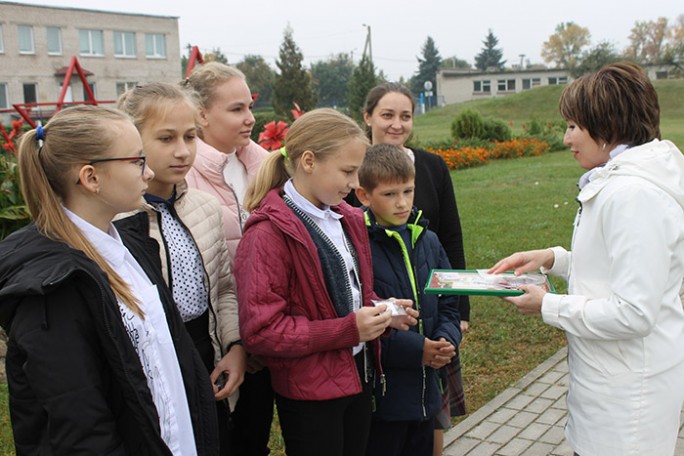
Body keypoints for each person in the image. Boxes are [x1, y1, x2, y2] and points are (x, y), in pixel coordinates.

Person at [488, 61, 684, 456]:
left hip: (628, 408)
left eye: (574, 126)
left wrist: (549, 305)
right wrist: (553, 258)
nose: (566, 138)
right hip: (611, 388)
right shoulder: (620, 182)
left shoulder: (633, 195)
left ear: (608, 125)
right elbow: (616, 266)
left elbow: (634, 311)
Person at [0, 106, 219, 454]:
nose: (148, 174)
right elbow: (80, 424)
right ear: (91, 177)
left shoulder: (130, 245)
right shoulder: (53, 289)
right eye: (136, 162)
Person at [234, 108, 418, 456]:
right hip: (310, 395)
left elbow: (351, 295)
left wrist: (381, 311)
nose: (353, 183)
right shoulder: (268, 234)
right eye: (348, 172)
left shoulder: (345, 218)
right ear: (308, 161)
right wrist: (349, 329)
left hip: (357, 377)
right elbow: (262, 331)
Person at [115, 82, 246, 455]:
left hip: (204, 352)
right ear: (133, 139)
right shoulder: (118, 217)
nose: (182, 151)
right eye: (166, 138)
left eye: (190, 136)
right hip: (153, 360)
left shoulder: (204, 207)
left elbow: (223, 287)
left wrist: (235, 346)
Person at [351, 82, 468, 451]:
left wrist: (449, 336)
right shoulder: (357, 242)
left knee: (429, 437)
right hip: (386, 390)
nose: (402, 202)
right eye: (388, 115)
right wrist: (416, 348)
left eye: (408, 192)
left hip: (428, 377)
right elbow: (362, 308)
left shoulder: (427, 238)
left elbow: (448, 284)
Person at [184, 61, 272, 456]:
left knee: (255, 434)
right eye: (236, 109)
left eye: (250, 106)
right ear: (201, 113)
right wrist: (238, 339)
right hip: (218, 340)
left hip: (266, 327)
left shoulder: (264, 163)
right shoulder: (182, 172)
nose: (250, 118)